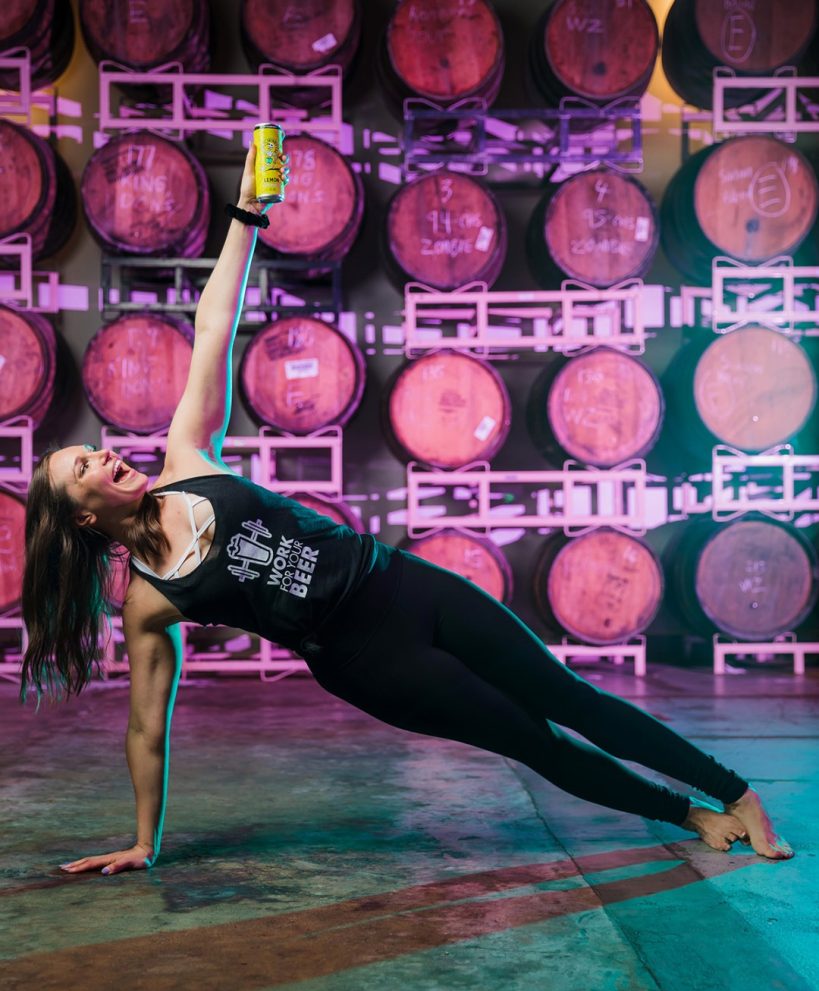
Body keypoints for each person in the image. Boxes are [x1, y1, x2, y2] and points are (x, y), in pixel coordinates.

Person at [21, 145, 792, 877]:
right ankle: (687, 817)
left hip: (397, 583)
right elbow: (146, 730)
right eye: (82, 467)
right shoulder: (152, 604)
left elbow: (214, 328)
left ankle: (733, 792)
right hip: (365, 662)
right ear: (84, 519)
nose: (102, 454)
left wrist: (246, 216)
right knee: (535, 743)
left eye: (92, 449)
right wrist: (142, 841)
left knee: (567, 696)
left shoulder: (186, 458)